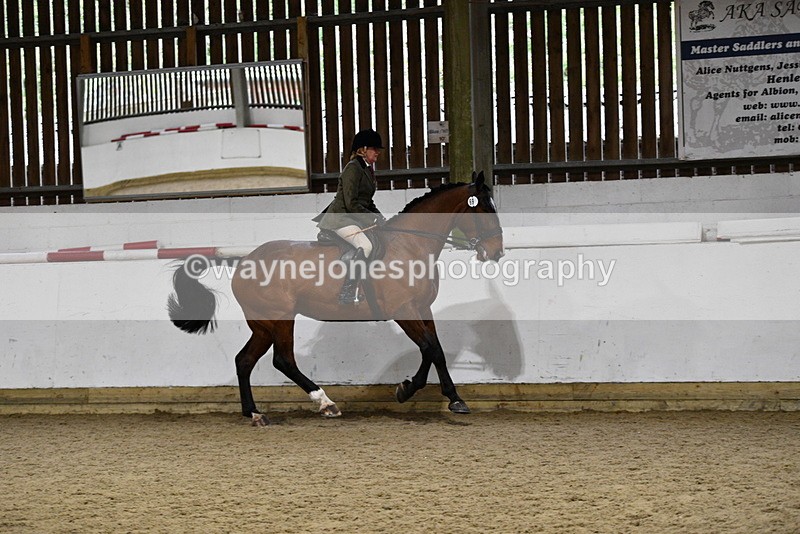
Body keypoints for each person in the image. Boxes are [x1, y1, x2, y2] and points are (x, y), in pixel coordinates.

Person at [314, 128, 386, 304]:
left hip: (352, 218)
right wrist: (371, 218)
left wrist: (380, 216)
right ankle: (348, 290)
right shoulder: (352, 168)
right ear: (363, 149)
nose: (377, 152)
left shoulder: (367, 170)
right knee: (366, 246)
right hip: (340, 218)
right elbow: (351, 203)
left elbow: (367, 201)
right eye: (374, 149)